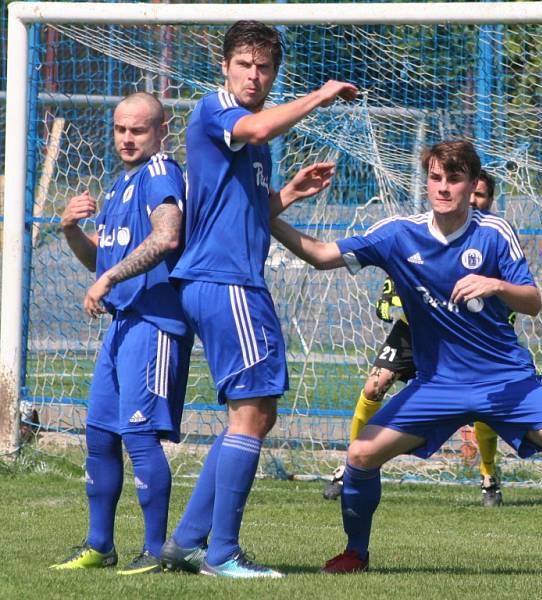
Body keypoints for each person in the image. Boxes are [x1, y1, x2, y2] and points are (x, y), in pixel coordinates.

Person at [270, 140, 542, 581]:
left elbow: (533, 302)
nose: (443, 188)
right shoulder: (399, 233)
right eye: (436, 178)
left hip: (505, 381)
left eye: (454, 179)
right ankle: (355, 552)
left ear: (472, 184)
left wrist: (494, 285)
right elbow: (322, 256)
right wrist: (269, 216)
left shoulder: (494, 232)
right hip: (439, 385)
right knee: (361, 454)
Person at [158, 20, 357, 579]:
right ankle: (222, 554)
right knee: (253, 412)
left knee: (252, 414)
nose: (253, 75)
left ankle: (188, 540)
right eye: (244, 64)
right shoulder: (217, 110)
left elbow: (246, 210)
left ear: (274, 72)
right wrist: (320, 96)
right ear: (225, 66)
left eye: (264, 67)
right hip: (227, 283)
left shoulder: (254, 142)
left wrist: (288, 193)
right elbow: (260, 125)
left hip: (223, 282)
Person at [51, 93, 192, 576]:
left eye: (139, 130)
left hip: (153, 324)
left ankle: (156, 551)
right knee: (99, 435)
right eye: (120, 130)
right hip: (122, 324)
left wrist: (109, 280)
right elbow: (103, 263)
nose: (128, 139)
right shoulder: (120, 184)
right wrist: (70, 230)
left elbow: (167, 234)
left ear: (161, 131)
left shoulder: (159, 173)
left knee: (137, 434)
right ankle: (99, 544)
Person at [323, 170, 507, 507]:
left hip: (468, 337)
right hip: (414, 329)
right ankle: (351, 465)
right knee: (373, 387)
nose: (476, 201)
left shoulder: (493, 239)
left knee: (483, 408)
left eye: (483, 196)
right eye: (473, 194)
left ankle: (488, 475)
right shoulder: (426, 229)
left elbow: (509, 296)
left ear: (488, 200)